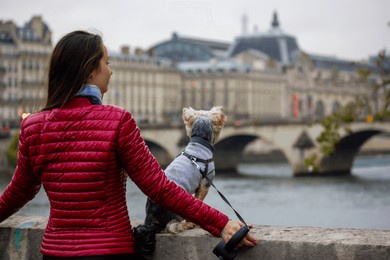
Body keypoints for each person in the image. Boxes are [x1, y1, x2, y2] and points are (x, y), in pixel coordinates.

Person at [0, 31, 256, 259]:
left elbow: (19, 192)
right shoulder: (117, 121)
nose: (110, 71)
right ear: (90, 70)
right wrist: (220, 223)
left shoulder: (33, 126)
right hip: (110, 250)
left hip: (55, 252)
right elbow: (160, 188)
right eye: (107, 63)